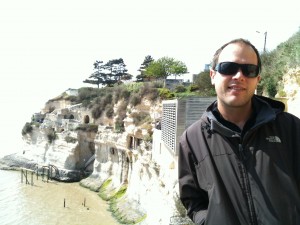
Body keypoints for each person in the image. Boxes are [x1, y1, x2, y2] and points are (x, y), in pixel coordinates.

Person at [178, 38, 300, 225]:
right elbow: (193, 201)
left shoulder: (291, 128)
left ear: (257, 79)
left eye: (249, 70)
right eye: (228, 68)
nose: (238, 76)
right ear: (213, 75)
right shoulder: (192, 139)